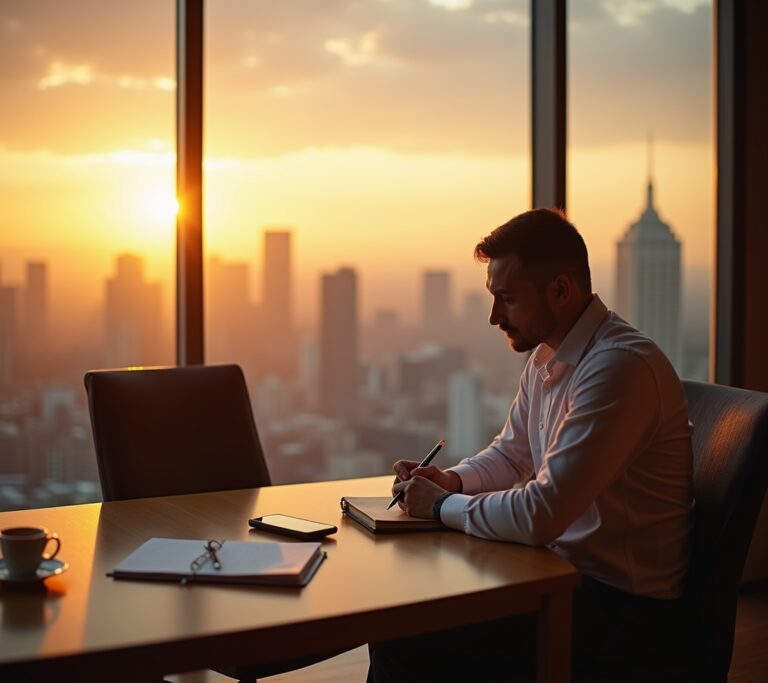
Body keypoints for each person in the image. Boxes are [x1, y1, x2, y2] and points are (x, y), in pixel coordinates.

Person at [367, 208, 694, 682]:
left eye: (508, 299)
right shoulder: (549, 355)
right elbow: (512, 453)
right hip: (559, 575)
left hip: (620, 609)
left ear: (560, 291)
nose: (494, 316)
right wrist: (452, 479)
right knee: (412, 611)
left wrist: (442, 508)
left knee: (406, 632)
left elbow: (542, 513)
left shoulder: (618, 369)